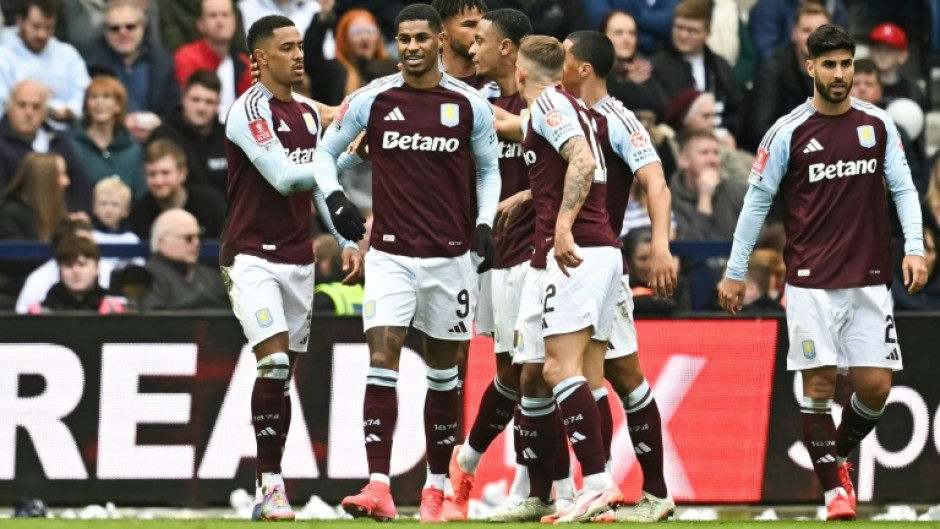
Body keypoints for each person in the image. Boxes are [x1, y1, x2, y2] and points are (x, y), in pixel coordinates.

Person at [718, 24, 928, 521]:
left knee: (875, 389)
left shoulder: (878, 124)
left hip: (869, 280)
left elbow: (903, 189)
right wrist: (735, 270)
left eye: (846, 64)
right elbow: (755, 204)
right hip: (810, 282)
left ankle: (835, 460)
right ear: (811, 67)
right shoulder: (787, 131)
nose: (839, 74)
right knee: (817, 389)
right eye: (829, 64)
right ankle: (834, 492)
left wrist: (915, 248)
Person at [312, 4, 499, 522]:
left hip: (451, 258)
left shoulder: (468, 104)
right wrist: (335, 200)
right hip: (390, 255)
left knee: (444, 372)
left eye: (421, 38)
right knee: (382, 357)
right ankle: (379, 485)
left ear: (439, 41)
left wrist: (485, 222)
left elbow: (488, 170)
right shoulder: (372, 98)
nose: (412, 47)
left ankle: (436, 489)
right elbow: (323, 156)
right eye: (404, 39)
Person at [221, 14, 364, 521]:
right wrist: (347, 159)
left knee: (283, 379)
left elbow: (317, 186)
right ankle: (271, 487)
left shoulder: (305, 111)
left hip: (299, 257)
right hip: (251, 257)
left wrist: (346, 238)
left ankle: (269, 485)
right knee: (275, 363)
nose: (299, 55)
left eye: (300, 45)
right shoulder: (248, 110)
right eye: (286, 47)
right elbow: (285, 178)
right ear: (259, 59)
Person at [561, 30, 678, 522]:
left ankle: (639, 491)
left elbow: (656, 183)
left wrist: (661, 245)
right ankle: (606, 490)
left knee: (607, 376)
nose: (558, 64)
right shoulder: (561, 112)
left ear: (584, 67)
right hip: (569, 263)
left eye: (564, 56)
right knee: (593, 376)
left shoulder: (618, 119)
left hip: (599, 265)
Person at [510, 33, 623, 523]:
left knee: (558, 369)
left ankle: (597, 484)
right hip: (600, 250)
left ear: (520, 72)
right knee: (587, 374)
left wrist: (561, 227)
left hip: (579, 251)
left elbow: (582, 159)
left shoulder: (549, 106)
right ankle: (596, 493)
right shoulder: (568, 105)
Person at [444, 8, 532, 523]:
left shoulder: (546, 102)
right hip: (495, 256)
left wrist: (528, 196)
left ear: (506, 48)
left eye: (481, 40)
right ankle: (482, 468)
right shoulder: (476, 102)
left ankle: (551, 484)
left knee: (544, 371)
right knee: (511, 374)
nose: (472, 49)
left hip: (544, 254)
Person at [85, 0, 179, 142]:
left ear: (142, 27)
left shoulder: (162, 63)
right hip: (110, 142)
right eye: (115, 28)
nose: (123, 33)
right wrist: (120, 122)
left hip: (157, 141)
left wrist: (159, 124)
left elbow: (174, 110)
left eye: (130, 27)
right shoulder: (92, 66)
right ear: (105, 32)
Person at [651, 0, 743, 139]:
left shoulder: (720, 66)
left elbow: (737, 109)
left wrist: (729, 133)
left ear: (707, 33)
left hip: (719, 137)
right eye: (679, 27)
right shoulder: (657, 66)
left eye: (692, 30)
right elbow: (662, 112)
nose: (683, 35)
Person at [746, 2, 829, 151]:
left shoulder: (838, 70)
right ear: (794, 34)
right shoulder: (772, 70)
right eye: (806, 30)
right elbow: (760, 129)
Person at [0, 79, 92, 213]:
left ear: (44, 112)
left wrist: (72, 216)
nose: (29, 112)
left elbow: (79, 183)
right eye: (22, 105)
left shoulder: (59, 141)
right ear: (9, 107)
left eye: (36, 107)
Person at [0, 0, 90, 126]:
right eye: (36, 27)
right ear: (20, 21)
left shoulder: (68, 54)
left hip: (66, 131)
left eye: (48, 28)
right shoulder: (4, 56)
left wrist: (68, 112)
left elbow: (85, 95)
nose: (42, 35)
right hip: (13, 133)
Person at [150, 70, 229, 196]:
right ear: (183, 98)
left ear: (218, 104)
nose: (201, 108)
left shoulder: (229, 138)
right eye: (195, 100)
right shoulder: (163, 136)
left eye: (209, 101)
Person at [129, 139, 226, 239]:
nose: (158, 181)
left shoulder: (211, 205)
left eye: (165, 173)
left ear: (182, 174)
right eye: (152, 174)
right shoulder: (139, 213)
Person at [67, 76, 146, 199]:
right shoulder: (71, 146)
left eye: (106, 97)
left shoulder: (133, 150)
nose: (99, 103)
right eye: (94, 97)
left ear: (118, 105)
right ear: (86, 105)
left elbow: (141, 193)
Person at [304, 6, 398, 106]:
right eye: (356, 32)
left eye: (370, 30)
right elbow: (311, 58)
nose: (364, 37)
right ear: (344, 37)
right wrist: (323, 18)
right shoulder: (333, 70)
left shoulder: (391, 68)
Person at [173, 0, 252, 117]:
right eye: (213, 15)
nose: (220, 22)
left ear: (235, 21)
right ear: (201, 24)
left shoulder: (246, 64)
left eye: (225, 15)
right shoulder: (187, 58)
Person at [142, 208, 228, 310]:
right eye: (188, 238)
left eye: (199, 237)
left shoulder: (210, 274)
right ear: (161, 241)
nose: (196, 243)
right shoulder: (147, 278)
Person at [670, 129, 746, 240]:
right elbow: (690, 247)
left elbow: (760, 239)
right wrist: (705, 199)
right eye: (704, 152)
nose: (713, 160)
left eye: (716, 153)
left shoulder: (738, 192)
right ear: (684, 160)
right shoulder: (670, 200)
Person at [34, 234, 124, 313]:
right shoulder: (44, 311)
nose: (76, 271)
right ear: (59, 270)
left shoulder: (116, 308)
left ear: (97, 268)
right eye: (69, 265)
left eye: (82, 264)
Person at [600, 10, 662, 112]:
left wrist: (643, 85)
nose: (627, 39)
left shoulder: (643, 68)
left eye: (632, 33)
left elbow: (662, 109)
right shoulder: (594, 71)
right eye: (619, 33)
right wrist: (629, 85)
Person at [748, 0, 848, 62]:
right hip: (786, 76)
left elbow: (841, 45)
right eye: (806, 30)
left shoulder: (836, 7)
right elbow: (767, 53)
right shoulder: (770, 5)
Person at [868, 22, 926, 110]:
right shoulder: (860, 87)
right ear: (870, 53)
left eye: (889, 49)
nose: (882, 55)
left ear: (903, 56)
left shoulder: (912, 89)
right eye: (878, 48)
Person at [432, 0, 488, 88]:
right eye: (470, 25)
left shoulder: (500, 80)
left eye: (484, 25)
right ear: (441, 30)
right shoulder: (421, 81)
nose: (481, 32)